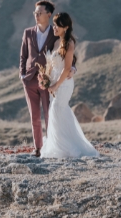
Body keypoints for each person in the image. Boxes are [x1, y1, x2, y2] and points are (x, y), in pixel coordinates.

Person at [39, 12, 99, 159]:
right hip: (54, 83)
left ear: (65, 27)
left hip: (64, 84)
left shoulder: (69, 43)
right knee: (57, 113)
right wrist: (45, 78)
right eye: (53, 25)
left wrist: (56, 86)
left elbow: (67, 68)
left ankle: (66, 147)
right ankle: (61, 145)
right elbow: (53, 64)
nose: (54, 28)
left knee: (56, 111)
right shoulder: (56, 43)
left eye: (57, 25)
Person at [19, 0, 57, 157]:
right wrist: (22, 75)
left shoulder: (55, 33)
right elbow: (23, 55)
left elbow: (63, 51)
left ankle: (51, 146)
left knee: (49, 115)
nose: (36, 15)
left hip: (48, 80)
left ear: (48, 14)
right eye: (35, 13)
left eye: (40, 13)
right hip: (30, 80)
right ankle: (38, 148)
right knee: (34, 116)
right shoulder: (28, 32)